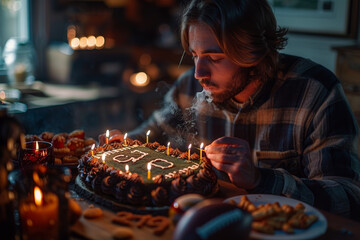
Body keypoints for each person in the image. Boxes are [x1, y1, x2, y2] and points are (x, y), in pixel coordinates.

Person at [100, 0, 360, 220]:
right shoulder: (189, 86)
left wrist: (259, 178)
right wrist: (122, 146)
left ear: (253, 52)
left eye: (214, 58)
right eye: (194, 55)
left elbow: (348, 197)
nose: (199, 73)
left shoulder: (315, 93)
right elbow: (153, 133)